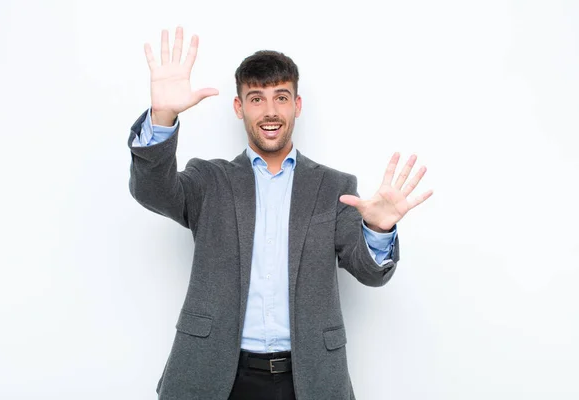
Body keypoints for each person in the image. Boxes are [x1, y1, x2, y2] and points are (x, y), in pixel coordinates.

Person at [127, 26, 433, 400]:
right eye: (256, 99)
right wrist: (161, 118)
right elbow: (151, 190)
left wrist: (378, 229)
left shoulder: (334, 187)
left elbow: (370, 272)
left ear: (296, 106)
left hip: (307, 379)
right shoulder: (209, 180)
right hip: (215, 374)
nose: (270, 111)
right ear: (239, 108)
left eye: (281, 97)